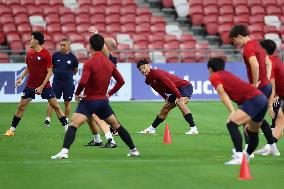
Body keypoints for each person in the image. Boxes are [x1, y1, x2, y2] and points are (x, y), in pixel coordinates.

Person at [51, 34, 139, 159]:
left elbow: (82, 82)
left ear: (90, 46)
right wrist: (109, 93)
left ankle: (64, 152)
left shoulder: (89, 63)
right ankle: (134, 150)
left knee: (73, 125)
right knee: (117, 126)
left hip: (89, 101)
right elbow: (121, 81)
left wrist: (77, 93)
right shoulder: (109, 63)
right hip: (103, 102)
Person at [207, 57, 273, 165]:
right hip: (262, 99)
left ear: (210, 69)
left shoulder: (214, 76)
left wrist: (232, 112)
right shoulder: (227, 74)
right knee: (252, 132)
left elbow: (222, 94)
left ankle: (238, 155)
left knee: (231, 123)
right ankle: (246, 156)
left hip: (253, 100)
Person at [3, 31, 68, 136]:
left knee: (55, 106)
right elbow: (29, 67)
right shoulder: (29, 53)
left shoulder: (46, 54)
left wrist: (41, 87)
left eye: (32, 38)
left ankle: (67, 128)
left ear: (37, 41)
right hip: (30, 85)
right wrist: (21, 77)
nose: (30, 40)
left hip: (45, 86)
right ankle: (11, 130)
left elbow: (50, 72)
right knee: (21, 107)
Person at [229, 24, 279, 155]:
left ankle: (247, 151)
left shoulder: (248, 48)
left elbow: (255, 65)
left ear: (239, 36)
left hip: (259, 89)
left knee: (245, 120)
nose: (235, 43)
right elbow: (268, 62)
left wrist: (255, 83)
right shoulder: (257, 45)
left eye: (234, 40)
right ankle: (273, 147)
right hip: (266, 86)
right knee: (259, 120)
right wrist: (266, 78)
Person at [136, 59, 198, 135]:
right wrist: (165, 98)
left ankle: (193, 128)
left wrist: (179, 96)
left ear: (148, 66)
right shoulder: (147, 81)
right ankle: (151, 129)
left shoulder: (157, 73)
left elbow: (171, 84)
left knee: (179, 102)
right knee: (165, 107)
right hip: (176, 90)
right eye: (140, 69)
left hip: (185, 86)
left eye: (144, 67)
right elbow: (157, 89)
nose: (143, 70)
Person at [83, 26, 119, 148]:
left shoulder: (110, 59)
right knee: (90, 115)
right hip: (94, 90)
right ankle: (98, 139)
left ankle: (111, 137)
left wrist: (97, 35)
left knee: (95, 115)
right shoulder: (103, 59)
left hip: (98, 92)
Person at [254, 39, 284, 156]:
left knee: (280, 120)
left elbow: (271, 84)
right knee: (280, 121)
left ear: (264, 50)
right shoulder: (276, 60)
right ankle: (270, 147)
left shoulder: (269, 62)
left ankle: (269, 147)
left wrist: (270, 105)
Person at [44, 38, 78, 127]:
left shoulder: (73, 57)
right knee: (52, 101)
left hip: (68, 83)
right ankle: (47, 119)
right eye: (61, 45)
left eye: (64, 45)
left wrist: (67, 74)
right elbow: (50, 67)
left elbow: (75, 70)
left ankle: (65, 119)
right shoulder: (55, 55)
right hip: (57, 82)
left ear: (69, 46)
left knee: (67, 102)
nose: (62, 47)